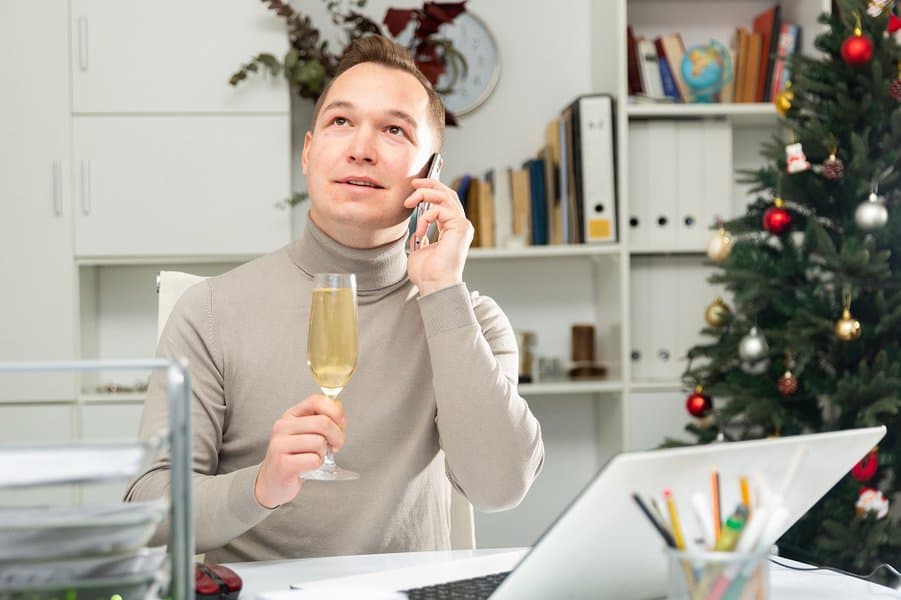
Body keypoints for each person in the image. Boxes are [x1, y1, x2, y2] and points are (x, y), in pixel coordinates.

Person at [126, 35, 544, 563]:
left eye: (394, 130)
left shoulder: (470, 320)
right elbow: (146, 511)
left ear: (431, 173)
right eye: (341, 122)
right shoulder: (209, 312)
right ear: (308, 152)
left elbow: (500, 488)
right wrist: (259, 486)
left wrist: (442, 291)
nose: (361, 149)